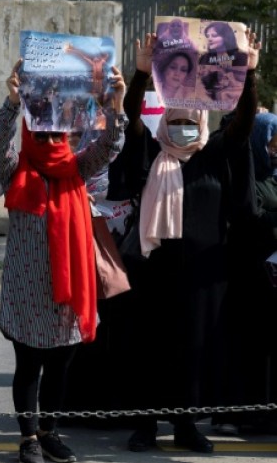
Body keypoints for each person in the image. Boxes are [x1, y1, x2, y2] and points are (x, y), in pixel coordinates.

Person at [116, 30, 260, 454]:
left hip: (202, 275)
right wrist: (141, 75)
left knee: (195, 349)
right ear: (165, 123)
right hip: (155, 270)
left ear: (201, 124)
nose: (182, 129)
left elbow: (243, 123)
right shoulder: (152, 153)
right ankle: (145, 425)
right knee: (150, 346)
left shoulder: (214, 155)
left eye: (189, 123)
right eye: (175, 122)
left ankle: (185, 425)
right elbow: (131, 117)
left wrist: (249, 74)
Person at [0, 60, 127, 463]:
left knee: (59, 368)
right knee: (27, 368)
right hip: (27, 292)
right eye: (41, 132)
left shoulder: (77, 169)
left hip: (69, 295)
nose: (50, 139)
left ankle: (49, 433)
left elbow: (110, 146)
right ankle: (28, 439)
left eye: (57, 132)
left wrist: (115, 105)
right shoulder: (16, 170)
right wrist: (12, 103)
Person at [214, 111, 277, 434]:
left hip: (270, 278)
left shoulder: (273, 176)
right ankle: (237, 414)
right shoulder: (243, 176)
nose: (275, 150)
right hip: (244, 274)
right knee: (243, 346)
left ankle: (265, 414)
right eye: (272, 142)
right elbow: (250, 214)